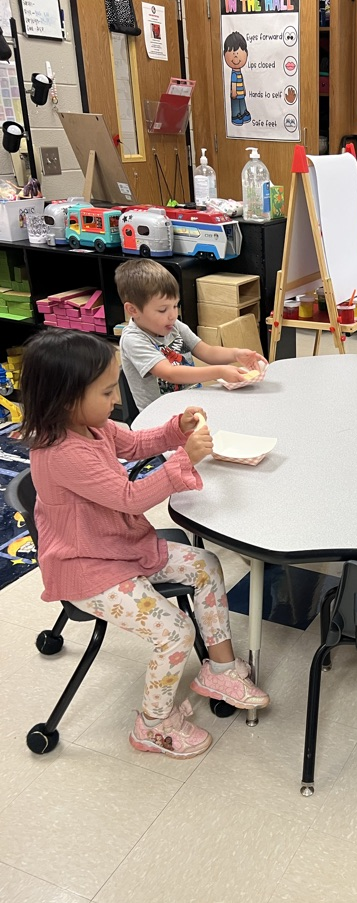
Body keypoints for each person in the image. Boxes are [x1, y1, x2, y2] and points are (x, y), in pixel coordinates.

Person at [21, 329, 270, 759]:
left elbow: (136, 443)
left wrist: (177, 429)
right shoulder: (62, 452)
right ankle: (152, 725)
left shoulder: (91, 427)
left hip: (119, 546)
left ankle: (221, 671)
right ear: (66, 399)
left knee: (205, 564)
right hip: (88, 569)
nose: (115, 399)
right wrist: (184, 459)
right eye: (105, 391)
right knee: (175, 633)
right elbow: (130, 498)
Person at [115, 259, 265, 412]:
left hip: (191, 405)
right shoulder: (133, 339)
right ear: (133, 310)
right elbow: (170, 374)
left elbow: (207, 351)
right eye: (162, 310)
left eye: (175, 306)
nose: (172, 315)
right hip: (161, 418)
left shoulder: (174, 326)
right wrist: (219, 371)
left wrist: (236, 354)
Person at [223, 31, 251, 126]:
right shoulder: (234, 73)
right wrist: (234, 92)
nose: (235, 56)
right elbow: (233, 83)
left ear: (246, 53)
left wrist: (244, 90)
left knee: (242, 103)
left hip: (241, 93)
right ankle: (235, 116)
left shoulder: (239, 72)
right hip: (235, 94)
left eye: (238, 53)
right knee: (235, 104)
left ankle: (243, 113)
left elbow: (241, 82)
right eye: (232, 53)